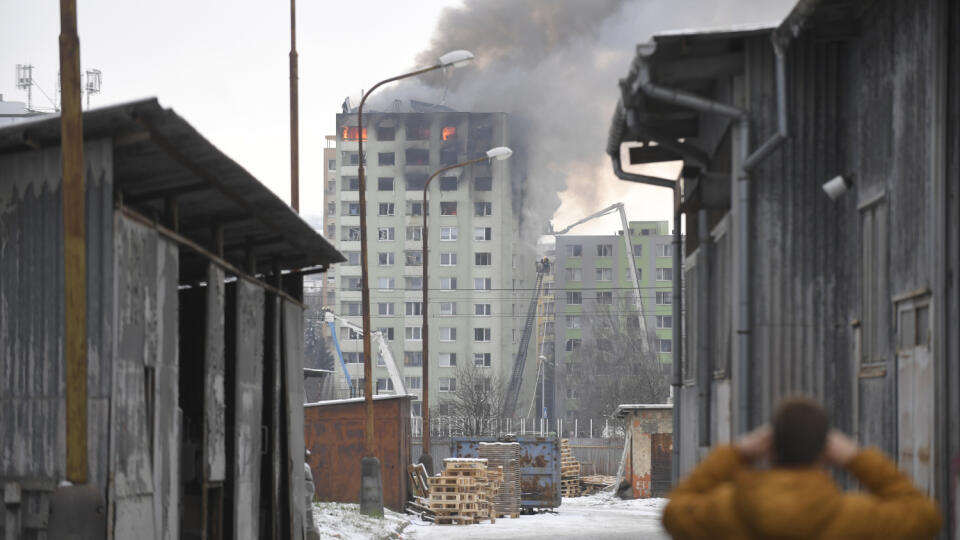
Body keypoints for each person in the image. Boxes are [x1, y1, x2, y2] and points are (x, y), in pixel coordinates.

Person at [662, 396, 941, 539]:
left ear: (769, 448)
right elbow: (925, 517)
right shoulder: (857, 519)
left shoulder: (726, 512)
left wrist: (735, 453)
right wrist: (858, 459)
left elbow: (674, 511)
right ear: (827, 452)